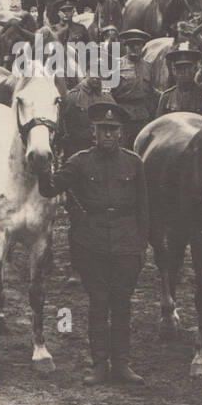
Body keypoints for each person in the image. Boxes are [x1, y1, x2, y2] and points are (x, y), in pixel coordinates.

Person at [37, 100, 149, 386]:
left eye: (113, 129)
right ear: (93, 131)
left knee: (122, 305)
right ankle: (100, 365)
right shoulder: (79, 162)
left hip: (126, 244)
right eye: (102, 129)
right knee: (98, 304)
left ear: (121, 132)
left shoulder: (134, 163)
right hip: (91, 245)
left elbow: (145, 210)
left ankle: (122, 364)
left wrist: (141, 247)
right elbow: (49, 188)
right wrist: (41, 162)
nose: (108, 134)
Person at [112, 28, 158, 148]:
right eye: (131, 44)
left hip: (143, 117)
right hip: (122, 117)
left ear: (142, 46)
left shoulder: (148, 67)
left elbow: (152, 93)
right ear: (126, 46)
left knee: (142, 148)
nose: (134, 48)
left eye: (138, 45)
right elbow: (108, 94)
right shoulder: (116, 66)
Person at [60, 74, 110, 158]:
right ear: (86, 73)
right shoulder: (73, 97)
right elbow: (66, 128)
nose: (96, 77)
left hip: (102, 151)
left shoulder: (107, 98)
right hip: (78, 149)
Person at [157, 42, 202, 116]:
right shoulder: (167, 97)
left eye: (187, 67)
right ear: (174, 71)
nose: (183, 72)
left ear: (195, 69)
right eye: (179, 68)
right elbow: (160, 124)